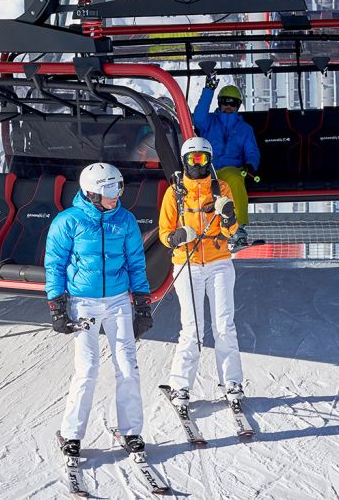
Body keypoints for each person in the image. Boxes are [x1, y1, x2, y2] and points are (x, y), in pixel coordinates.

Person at [45, 162, 154, 458]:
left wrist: (142, 304)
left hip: (119, 301)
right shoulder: (68, 221)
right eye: (109, 189)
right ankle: (71, 434)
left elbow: (135, 263)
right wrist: (56, 305)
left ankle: (131, 430)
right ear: (91, 192)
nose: (116, 195)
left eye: (118, 187)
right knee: (88, 368)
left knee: (127, 367)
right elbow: (54, 264)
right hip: (84, 302)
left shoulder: (126, 220)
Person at [159, 136, 245, 410]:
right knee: (193, 328)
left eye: (203, 159)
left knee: (224, 326)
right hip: (189, 264)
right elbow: (164, 233)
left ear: (210, 160)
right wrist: (177, 237)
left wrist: (230, 217)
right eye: (193, 159)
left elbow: (232, 231)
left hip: (219, 261)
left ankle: (231, 382)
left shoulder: (221, 188)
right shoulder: (175, 193)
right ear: (185, 161)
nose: (198, 164)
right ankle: (180, 386)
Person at [193, 73, 261, 248]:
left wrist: (250, 165)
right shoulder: (209, 121)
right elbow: (198, 117)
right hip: (208, 168)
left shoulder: (244, 129)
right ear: (219, 103)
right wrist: (209, 89)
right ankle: (202, 233)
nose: (228, 107)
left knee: (234, 179)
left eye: (232, 103)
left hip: (231, 168)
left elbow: (252, 151)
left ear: (237, 106)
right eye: (224, 102)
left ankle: (238, 228)